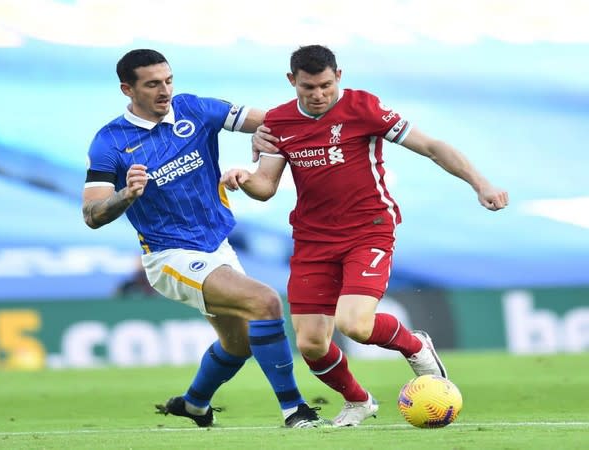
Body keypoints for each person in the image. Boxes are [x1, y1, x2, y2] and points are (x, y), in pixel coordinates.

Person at [222, 44, 509, 427]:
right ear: (292, 82)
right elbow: (266, 186)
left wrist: (480, 184)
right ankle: (358, 401)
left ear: (338, 76)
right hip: (312, 239)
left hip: (368, 230)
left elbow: (431, 146)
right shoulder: (277, 123)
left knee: (354, 324)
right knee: (310, 344)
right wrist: (243, 178)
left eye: (326, 85)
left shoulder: (363, 108)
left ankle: (415, 345)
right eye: (309, 87)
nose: (319, 94)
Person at [82, 49, 326, 428]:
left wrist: (265, 139)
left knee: (239, 344)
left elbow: (276, 121)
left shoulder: (195, 109)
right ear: (126, 89)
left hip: (218, 246)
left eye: (168, 80)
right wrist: (124, 196)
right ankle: (295, 409)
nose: (164, 91)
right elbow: (92, 215)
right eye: (152, 84)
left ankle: (194, 404)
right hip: (170, 256)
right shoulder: (110, 142)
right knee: (264, 301)